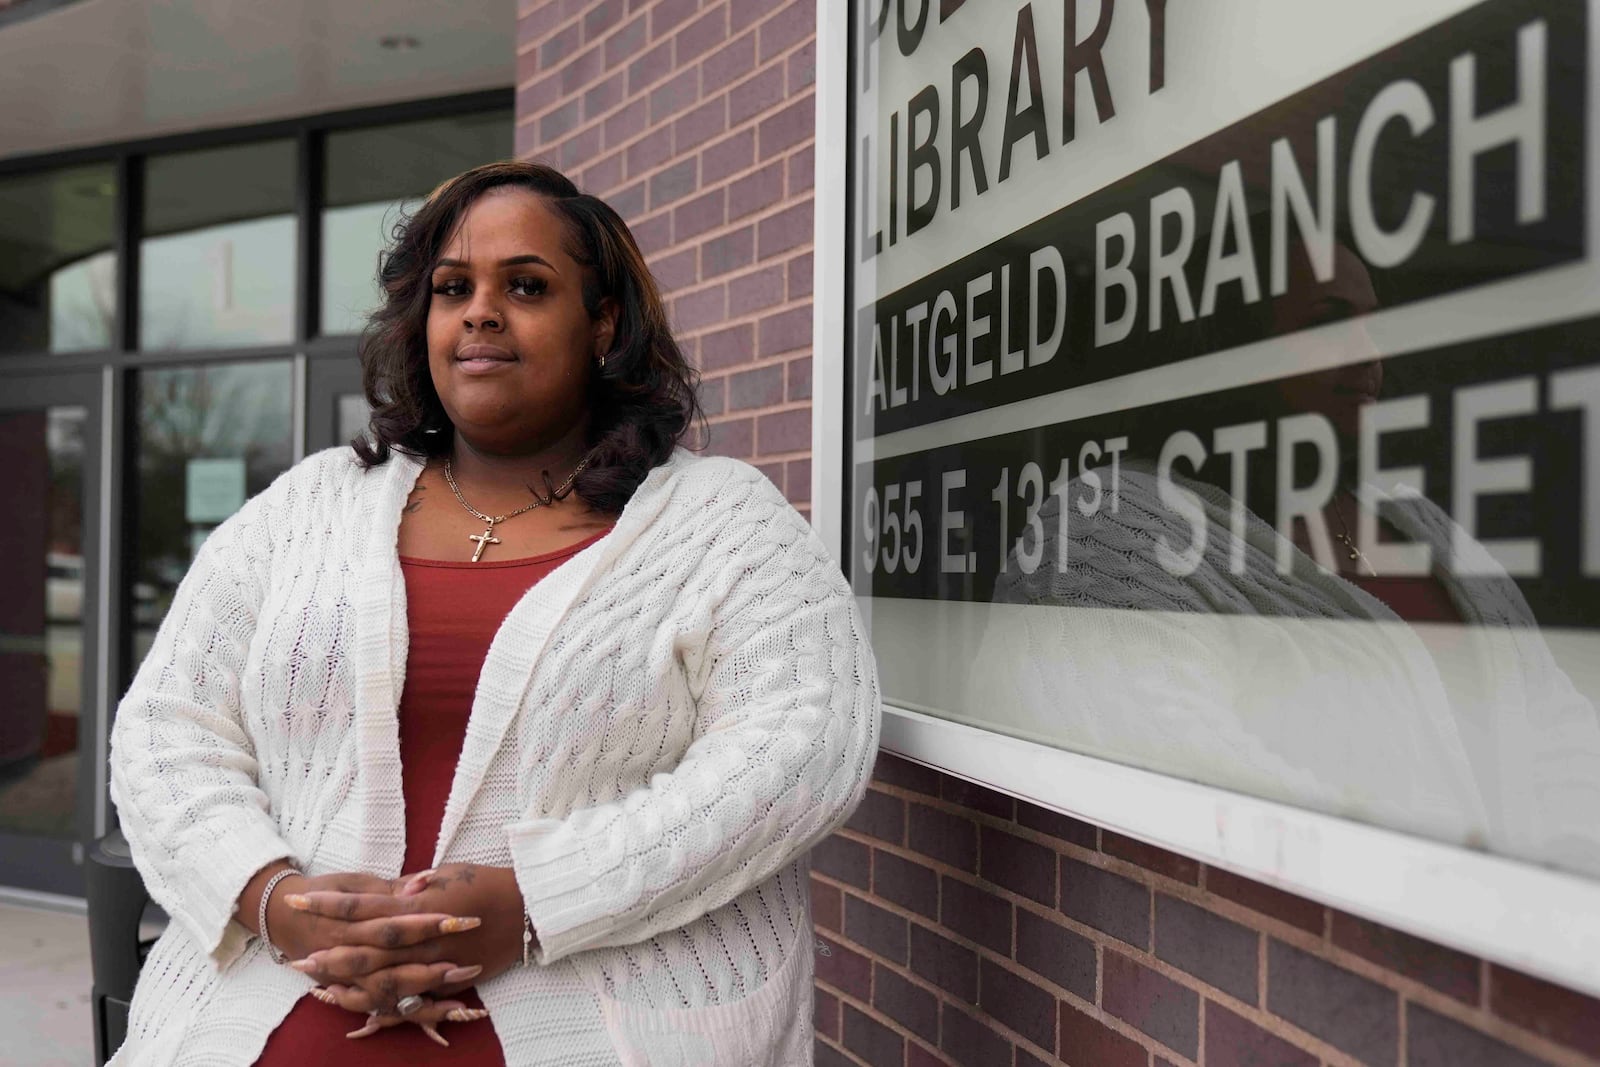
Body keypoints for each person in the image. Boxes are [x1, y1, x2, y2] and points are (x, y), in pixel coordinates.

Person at [108, 160, 880, 1065]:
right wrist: (275, 900)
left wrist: (534, 901)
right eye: (452, 288)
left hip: (604, 1024)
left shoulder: (722, 523)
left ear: (603, 324)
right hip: (262, 1026)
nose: (480, 311)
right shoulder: (305, 508)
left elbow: (806, 742)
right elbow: (166, 727)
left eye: (526, 285)